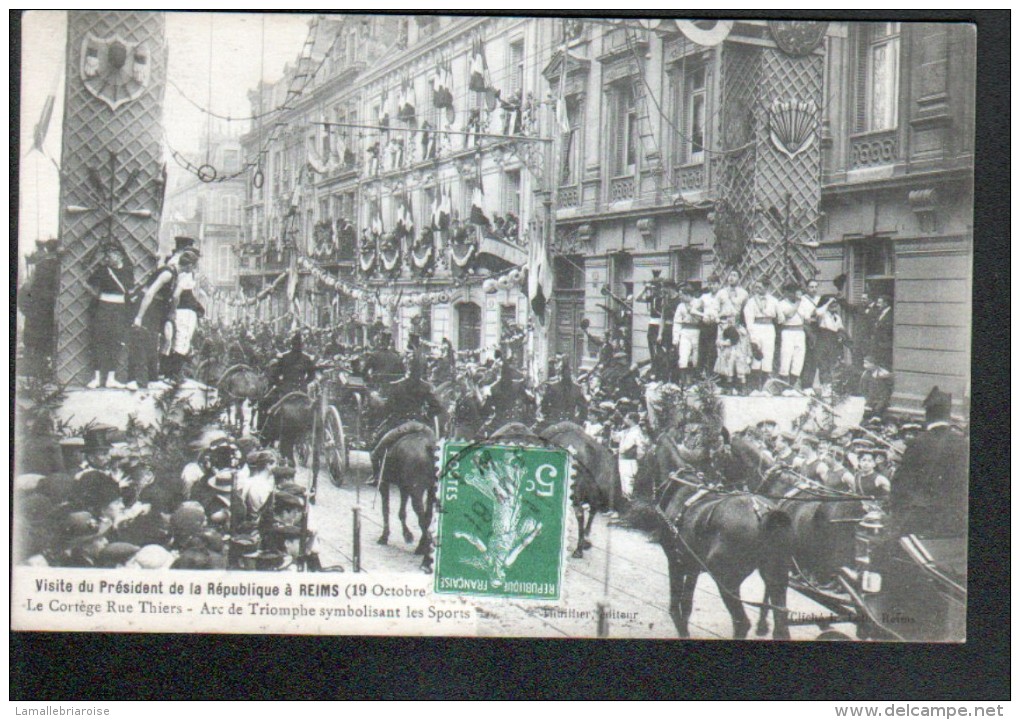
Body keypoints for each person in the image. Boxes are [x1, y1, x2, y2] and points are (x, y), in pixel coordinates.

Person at [889, 387, 967, 538]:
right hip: (954, 522)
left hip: (922, 521)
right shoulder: (962, 443)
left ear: (927, 416)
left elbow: (901, 484)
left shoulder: (917, 443)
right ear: (948, 416)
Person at [129, 237, 200, 390]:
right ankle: (138, 380)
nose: (193, 270)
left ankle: (152, 378)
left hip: (156, 308)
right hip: (148, 306)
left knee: (153, 342)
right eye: (193, 267)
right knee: (143, 341)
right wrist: (139, 317)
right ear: (189, 266)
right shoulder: (168, 274)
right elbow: (149, 293)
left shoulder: (174, 273)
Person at [84, 242, 133, 389]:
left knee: (116, 341)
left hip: (120, 308)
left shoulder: (127, 270)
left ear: (119, 255)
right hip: (104, 307)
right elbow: (87, 284)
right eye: (107, 254)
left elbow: (130, 290)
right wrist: (97, 296)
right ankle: (97, 378)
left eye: (111, 253)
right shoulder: (103, 270)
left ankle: (111, 378)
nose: (108, 257)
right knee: (99, 340)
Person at [160, 250, 205, 383]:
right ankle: (174, 375)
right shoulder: (185, 276)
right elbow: (176, 295)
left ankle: (168, 373)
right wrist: (173, 310)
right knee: (182, 341)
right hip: (184, 312)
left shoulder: (176, 271)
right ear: (190, 265)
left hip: (181, 310)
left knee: (173, 340)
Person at [19, 237, 61, 378]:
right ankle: (44, 369)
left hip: (36, 306)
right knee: (47, 338)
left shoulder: (40, 266)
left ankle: (34, 369)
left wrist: (25, 305)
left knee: (34, 338)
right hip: (49, 307)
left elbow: (27, 287)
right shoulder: (60, 266)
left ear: (46, 250)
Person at [743, 281, 779, 391]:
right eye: (756, 287)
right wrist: (752, 336)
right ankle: (754, 389)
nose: (757, 289)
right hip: (756, 327)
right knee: (756, 357)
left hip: (769, 328)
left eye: (760, 287)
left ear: (767, 287)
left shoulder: (773, 301)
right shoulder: (751, 302)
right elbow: (749, 320)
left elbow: (780, 317)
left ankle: (765, 388)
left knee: (768, 356)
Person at [776, 284, 810, 391]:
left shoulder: (803, 304)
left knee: (798, 358)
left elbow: (807, 319)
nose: (794, 294)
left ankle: (793, 386)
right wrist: (798, 302)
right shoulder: (781, 304)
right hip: (788, 331)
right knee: (786, 357)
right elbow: (789, 315)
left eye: (795, 291)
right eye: (791, 292)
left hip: (800, 332)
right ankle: (784, 387)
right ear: (786, 293)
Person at [540, 357, 588, 425]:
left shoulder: (577, 388)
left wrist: (579, 420)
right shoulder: (553, 387)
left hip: (570, 421)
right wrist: (548, 416)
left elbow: (584, 408)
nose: (566, 375)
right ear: (561, 374)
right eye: (564, 373)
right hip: (555, 421)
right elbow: (544, 404)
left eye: (567, 373)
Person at [813, 294, 845, 395]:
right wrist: (827, 302)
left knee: (833, 363)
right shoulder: (823, 315)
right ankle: (824, 387)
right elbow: (818, 312)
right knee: (823, 364)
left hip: (833, 340)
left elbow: (840, 328)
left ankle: (831, 387)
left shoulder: (837, 317)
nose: (834, 306)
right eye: (832, 304)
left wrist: (840, 336)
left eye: (835, 304)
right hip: (823, 339)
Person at [671, 284, 702, 385]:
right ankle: (684, 382)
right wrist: (676, 337)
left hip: (697, 331)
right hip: (685, 332)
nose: (680, 297)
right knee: (683, 355)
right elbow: (677, 322)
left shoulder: (699, 303)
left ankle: (693, 380)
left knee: (695, 357)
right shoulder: (680, 306)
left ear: (688, 294)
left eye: (682, 295)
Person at [714, 311, 752, 395]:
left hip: (740, 352)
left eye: (733, 318)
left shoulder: (742, 330)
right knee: (729, 370)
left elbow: (747, 343)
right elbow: (718, 341)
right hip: (728, 352)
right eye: (729, 318)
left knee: (741, 371)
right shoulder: (723, 329)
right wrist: (726, 342)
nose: (731, 320)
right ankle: (729, 389)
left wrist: (749, 354)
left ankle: (743, 389)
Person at [614, 412, 647, 502]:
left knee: (629, 483)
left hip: (630, 460)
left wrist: (638, 457)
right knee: (623, 482)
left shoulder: (637, 432)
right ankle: (626, 503)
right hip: (622, 460)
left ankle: (630, 504)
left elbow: (642, 446)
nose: (625, 420)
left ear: (631, 420)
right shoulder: (626, 430)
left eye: (626, 418)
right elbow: (615, 438)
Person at [798, 278, 823, 391]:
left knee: (815, 357)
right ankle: (805, 384)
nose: (813, 289)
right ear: (807, 288)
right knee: (807, 356)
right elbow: (805, 317)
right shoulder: (802, 300)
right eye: (811, 287)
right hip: (807, 328)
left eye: (815, 287)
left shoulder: (819, 299)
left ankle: (811, 384)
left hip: (819, 328)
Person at [637, 271, 664, 365]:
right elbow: (638, 299)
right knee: (651, 345)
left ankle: (659, 366)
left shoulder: (663, 298)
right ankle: (654, 363)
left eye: (655, 288)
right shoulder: (652, 297)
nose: (653, 290)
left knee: (658, 347)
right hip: (652, 323)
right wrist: (645, 289)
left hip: (659, 324)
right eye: (653, 288)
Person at [697, 276, 721, 377]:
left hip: (717, 327)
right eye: (709, 284)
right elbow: (694, 309)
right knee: (702, 350)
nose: (711, 286)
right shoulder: (704, 297)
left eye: (714, 284)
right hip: (706, 326)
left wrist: (717, 317)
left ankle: (712, 376)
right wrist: (703, 316)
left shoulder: (722, 296)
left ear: (718, 284)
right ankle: (701, 376)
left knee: (714, 351)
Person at [870, 295, 894, 370]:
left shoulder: (891, 315)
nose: (877, 304)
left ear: (885, 303)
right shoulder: (880, 313)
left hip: (884, 347)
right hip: (878, 346)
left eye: (879, 303)